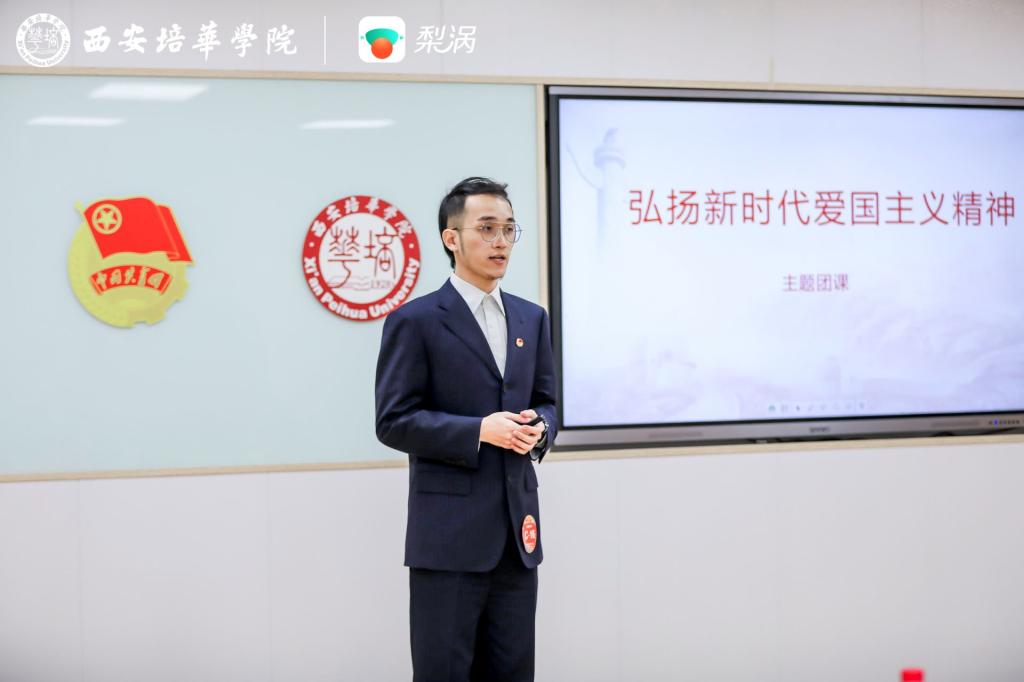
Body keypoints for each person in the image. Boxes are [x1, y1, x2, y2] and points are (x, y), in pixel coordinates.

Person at [375, 176, 557, 681]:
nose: (501, 241)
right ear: (451, 238)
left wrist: (540, 428)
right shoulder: (416, 321)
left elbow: (547, 402)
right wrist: (479, 430)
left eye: (509, 229)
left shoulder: (531, 319)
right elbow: (393, 421)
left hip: (517, 537)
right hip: (449, 540)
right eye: (487, 228)